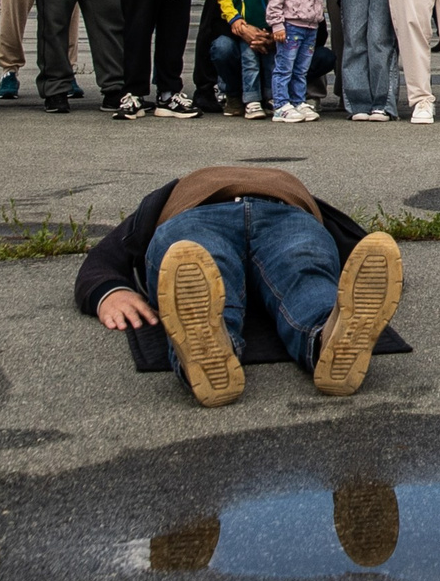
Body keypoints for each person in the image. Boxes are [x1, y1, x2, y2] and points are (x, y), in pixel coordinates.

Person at [76, 166, 406, 408]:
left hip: (271, 216)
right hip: (221, 216)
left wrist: (372, 275)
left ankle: (329, 335)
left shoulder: (181, 187)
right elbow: (108, 254)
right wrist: (108, 290)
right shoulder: (174, 191)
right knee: (300, 271)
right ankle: (315, 336)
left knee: (298, 269)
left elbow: (108, 252)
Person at [267, 0, 331, 121]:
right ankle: (280, 104)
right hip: (291, 26)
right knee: (285, 66)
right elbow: (275, 0)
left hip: (310, 27)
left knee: (301, 68)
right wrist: (277, 24)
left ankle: (297, 100)